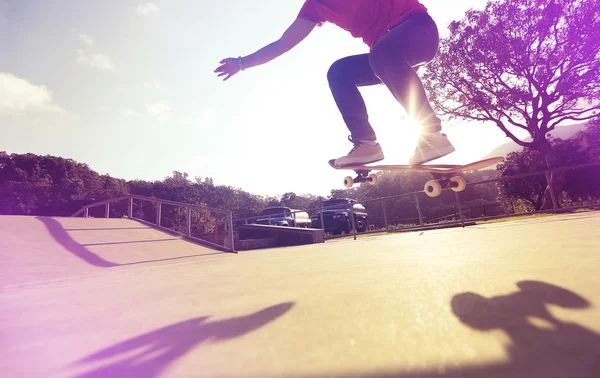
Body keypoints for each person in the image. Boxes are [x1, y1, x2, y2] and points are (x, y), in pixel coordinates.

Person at [214, 0, 455, 167]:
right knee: (339, 72)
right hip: (385, 57)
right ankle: (366, 144)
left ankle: (432, 135)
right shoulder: (315, 6)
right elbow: (283, 43)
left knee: (381, 54)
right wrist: (242, 63)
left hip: (418, 31)